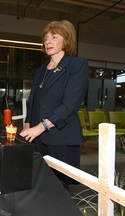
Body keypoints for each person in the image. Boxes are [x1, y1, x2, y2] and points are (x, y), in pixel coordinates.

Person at [20, 20, 89, 189]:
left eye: (54, 37)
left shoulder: (76, 65)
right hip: (37, 138)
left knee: (58, 189)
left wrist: (41, 126)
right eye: (45, 38)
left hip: (61, 138)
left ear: (66, 40)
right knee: (38, 184)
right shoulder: (40, 71)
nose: (48, 41)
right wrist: (27, 126)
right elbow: (33, 101)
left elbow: (70, 105)